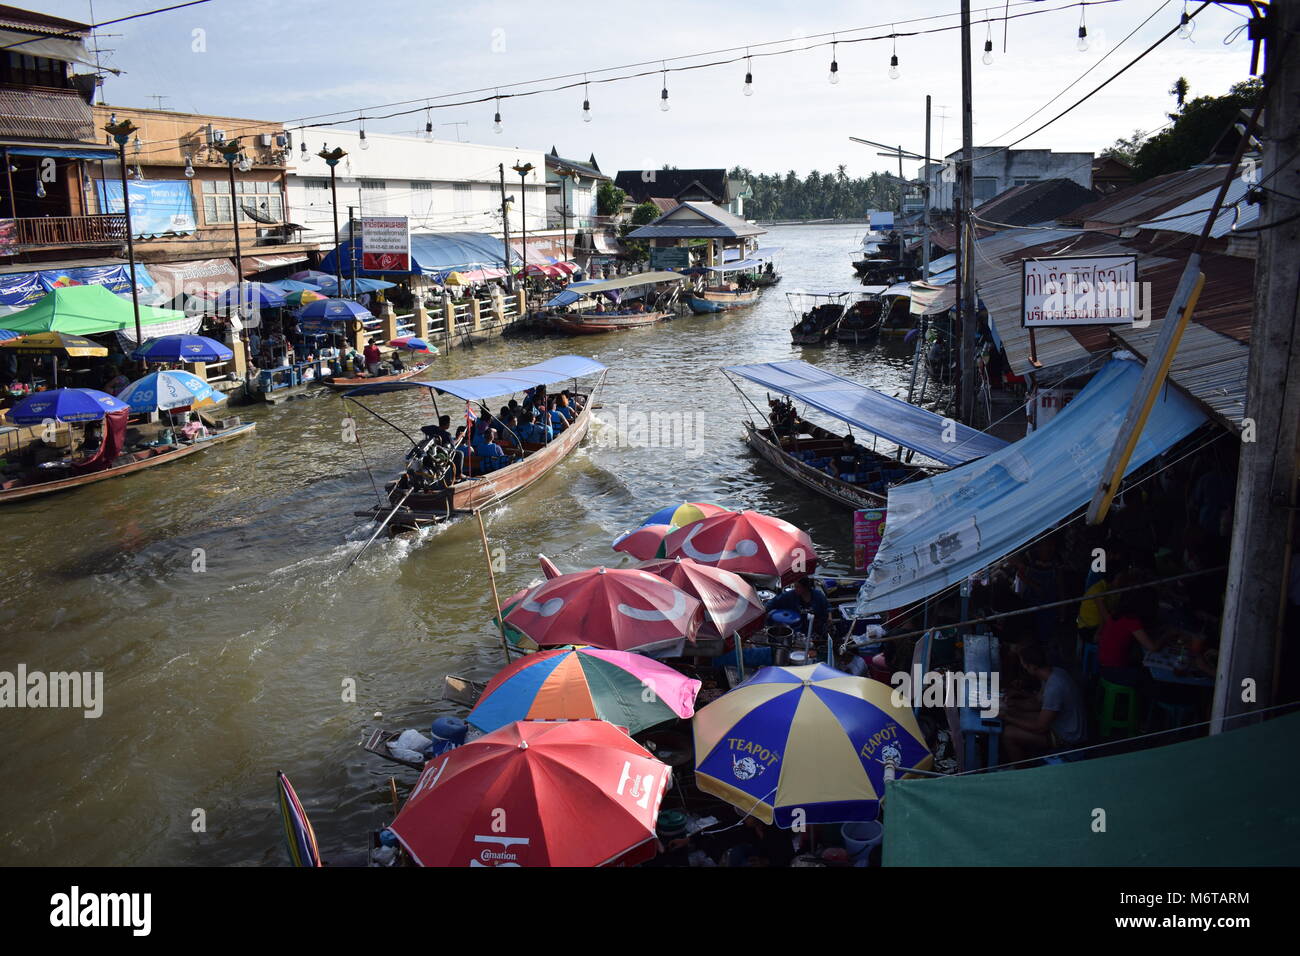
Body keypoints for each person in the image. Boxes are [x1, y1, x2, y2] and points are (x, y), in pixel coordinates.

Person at [1000, 644, 1088, 762]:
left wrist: (1006, 717)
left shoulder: (1055, 687)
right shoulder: (1054, 673)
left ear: (1031, 667)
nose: (1023, 667)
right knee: (1013, 712)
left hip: (1068, 737)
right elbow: (1038, 703)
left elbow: (1040, 727)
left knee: (1009, 734)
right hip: (1058, 723)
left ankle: (1021, 771)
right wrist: (1014, 702)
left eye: (1024, 664)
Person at [1096, 579, 1162, 687]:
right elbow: (1153, 647)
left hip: (1104, 666)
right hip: (1114, 672)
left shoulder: (1118, 614)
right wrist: (1169, 635)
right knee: (1154, 679)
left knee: (1142, 662)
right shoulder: (1131, 620)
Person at [766, 577, 830, 638]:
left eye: (798, 587)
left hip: (814, 627)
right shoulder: (791, 595)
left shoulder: (818, 596)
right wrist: (764, 610)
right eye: (795, 586)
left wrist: (829, 617)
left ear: (806, 588)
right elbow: (774, 602)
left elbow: (827, 607)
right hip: (797, 628)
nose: (795, 589)